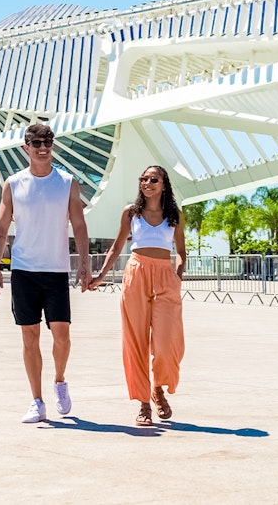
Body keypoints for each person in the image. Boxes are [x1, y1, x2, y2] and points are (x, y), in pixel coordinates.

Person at [0, 123, 90, 424]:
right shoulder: (13, 184)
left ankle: (59, 381)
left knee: (62, 336)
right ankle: (37, 401)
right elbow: (1, 227)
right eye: (36, 143)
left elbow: (79, 225)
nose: (42, 147)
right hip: (24, 270)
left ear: (53, 145)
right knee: (29, 337)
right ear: (26, 148)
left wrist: (84, 261)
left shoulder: (67, 183)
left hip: (56, 269)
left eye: (47, 141)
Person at [90, 165, 186, 426]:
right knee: (136, 341)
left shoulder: (174, 215)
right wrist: (100, 276)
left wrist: (177, 276)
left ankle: (158, 388)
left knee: (167, 343)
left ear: (164, 184)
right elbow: (117, 246)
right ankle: (144, 402)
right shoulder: (131, 213)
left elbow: (181, 251)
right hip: (136, 274)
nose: (147, 183)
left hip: (165, 277)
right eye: (143, 179)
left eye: (153, 179)